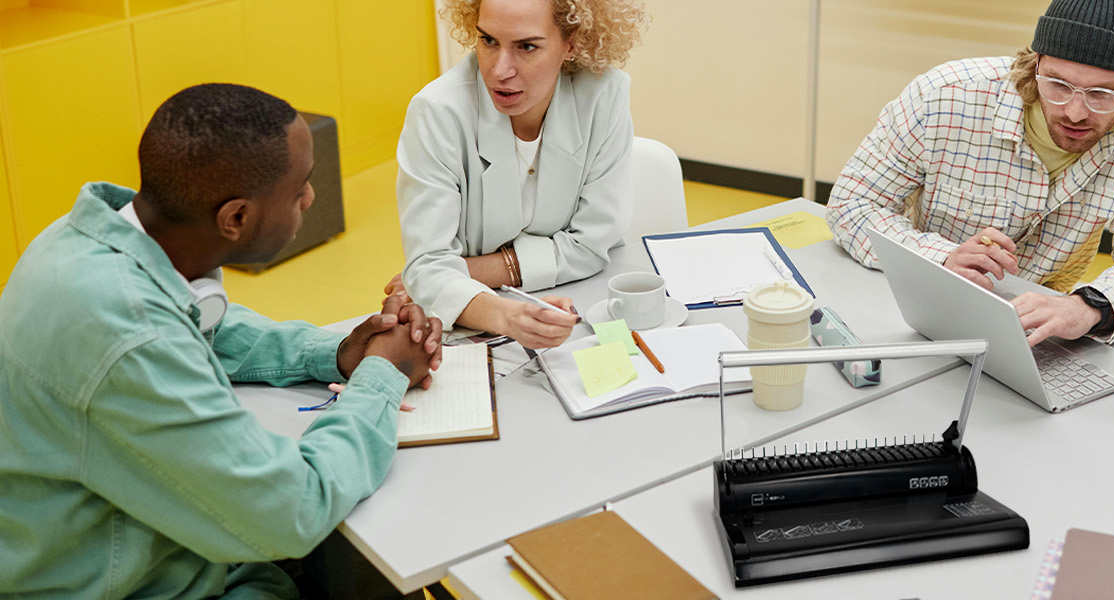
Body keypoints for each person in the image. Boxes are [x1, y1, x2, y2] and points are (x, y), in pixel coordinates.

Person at [0, 84, 443, 598]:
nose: (310, 198)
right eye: (299, 188)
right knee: (380, 555)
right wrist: (381, 376)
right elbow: (292, 509)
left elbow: (206, 327)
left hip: (141, 549)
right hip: (137, 584)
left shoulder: (86, 241)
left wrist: (337, 352)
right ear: (235, 218)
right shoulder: (132, 338)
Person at [826, 0, 1114, 346]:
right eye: (1058, 84)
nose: (1076, 112)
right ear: (1035, 62)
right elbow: (852, 204)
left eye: (1102, 94)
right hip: (922, 309)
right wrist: (939, 257)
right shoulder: (943, 97)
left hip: (1042, 330)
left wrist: (1089, 306)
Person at [392, 0, 648, 348]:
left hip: (586, 303)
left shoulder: (604, 94)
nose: (499, 70)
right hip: (475, 324)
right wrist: (507, 315)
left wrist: (459, 272)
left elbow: (591, 245)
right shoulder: (437, 114)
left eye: (527, 47)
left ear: (572, 41)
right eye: (488, 41)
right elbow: (428, 268)